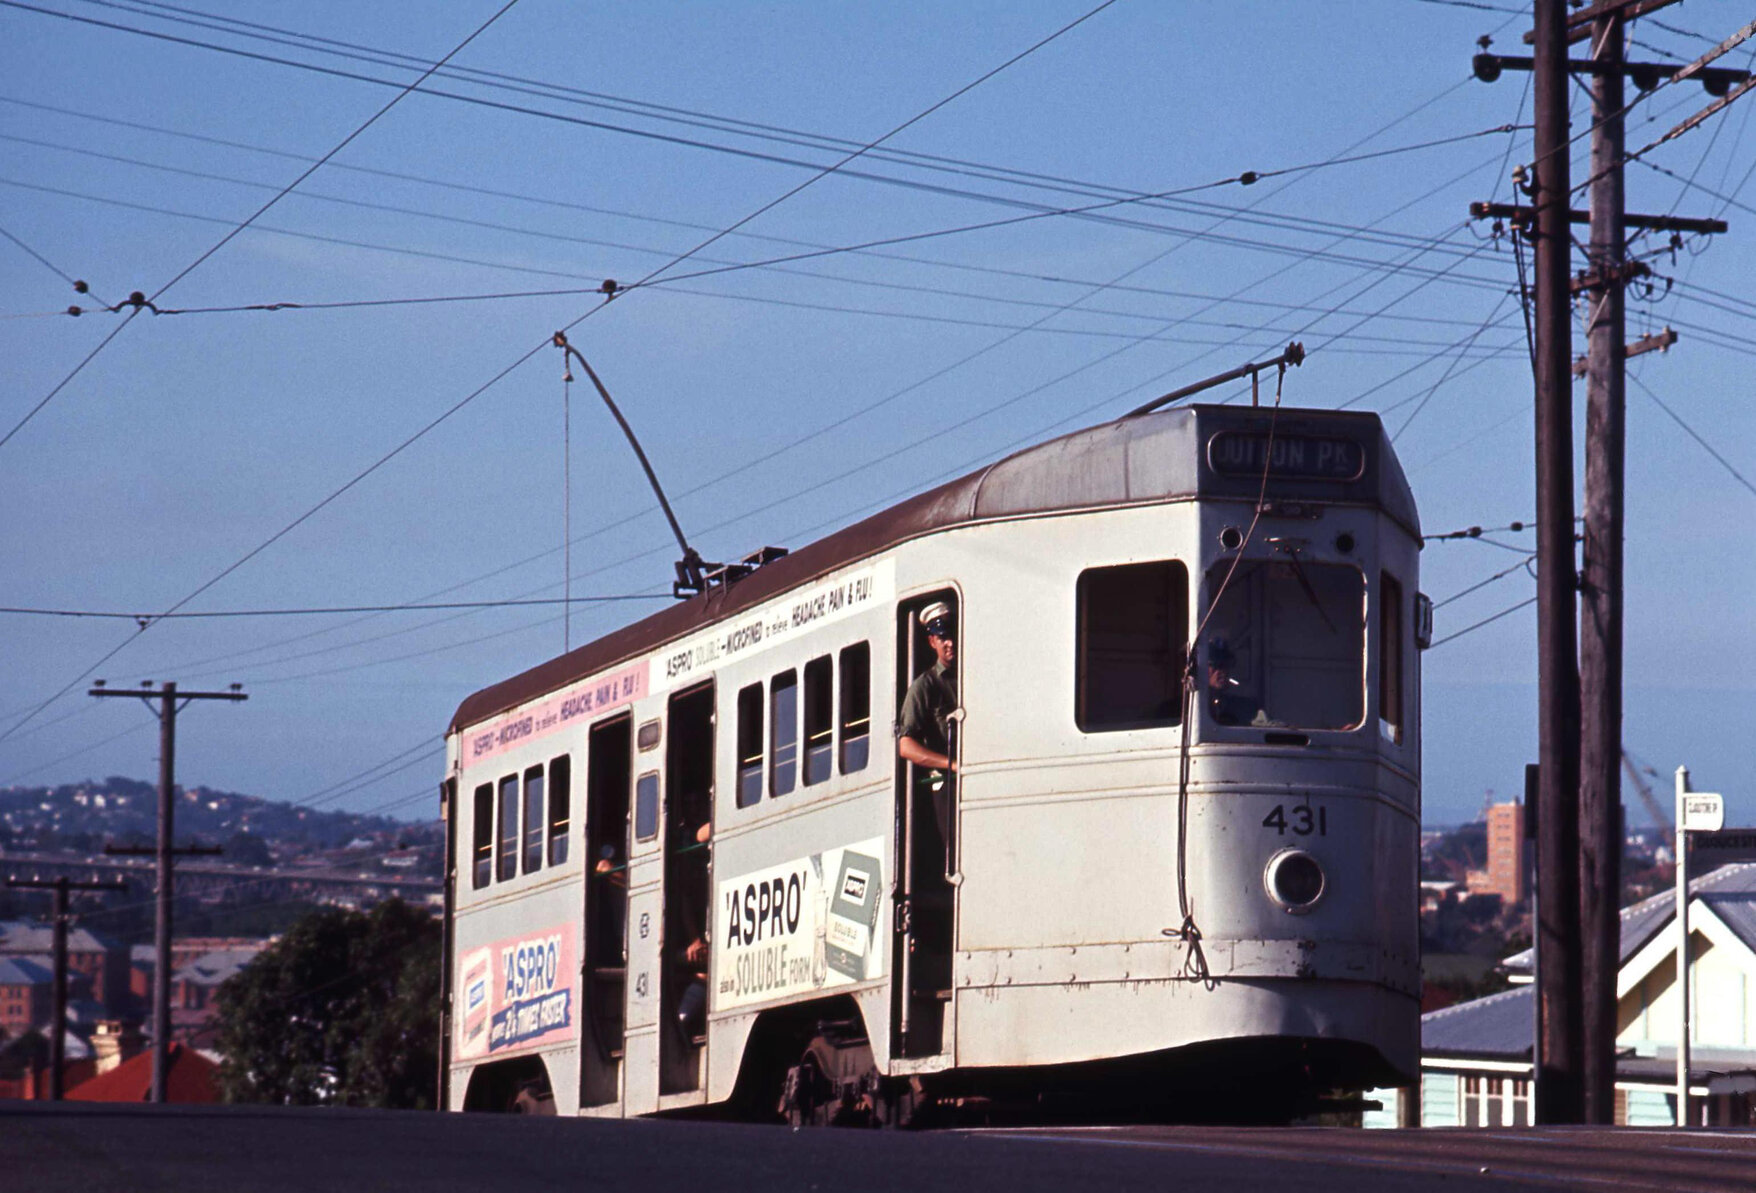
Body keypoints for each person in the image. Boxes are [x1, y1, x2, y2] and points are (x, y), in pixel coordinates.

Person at [898, 601, 958, 847]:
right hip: (945, 785)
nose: (950, 643)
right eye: (942, 637)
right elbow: (906, 746)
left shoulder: (975, 675)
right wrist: (951, 765)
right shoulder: (924, 686)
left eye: (952, 635)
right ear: (932, 641)